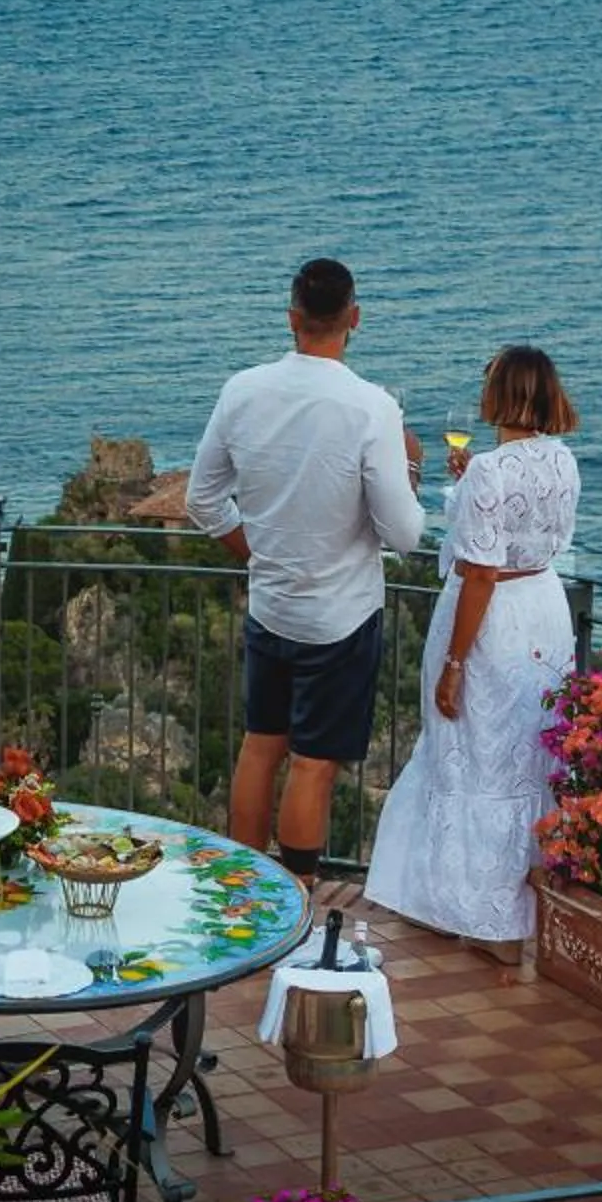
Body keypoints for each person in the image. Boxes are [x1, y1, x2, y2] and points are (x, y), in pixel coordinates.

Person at [187, 258, 427, 885]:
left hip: (271, 606)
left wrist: (257, 555)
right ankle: (295, 894)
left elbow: (202, 501)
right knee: (313, 764)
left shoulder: (242, 390)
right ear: (355, 318)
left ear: (292, 318)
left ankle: (240, 888)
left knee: (260, 746)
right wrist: (412, 473)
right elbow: (405, 534)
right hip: (339, 617)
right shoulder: (372, 408)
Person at [364, 344, 583, 960]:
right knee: (523, 758)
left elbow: (481, 572)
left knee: (468, 756)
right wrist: (469, 488)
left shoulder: (492, 469)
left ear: (504, 394)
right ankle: (512, 913)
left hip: (491, 622)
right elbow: (531, 536)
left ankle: (479, 916)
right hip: (543, 611)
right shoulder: (563, 461)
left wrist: (456, 662)